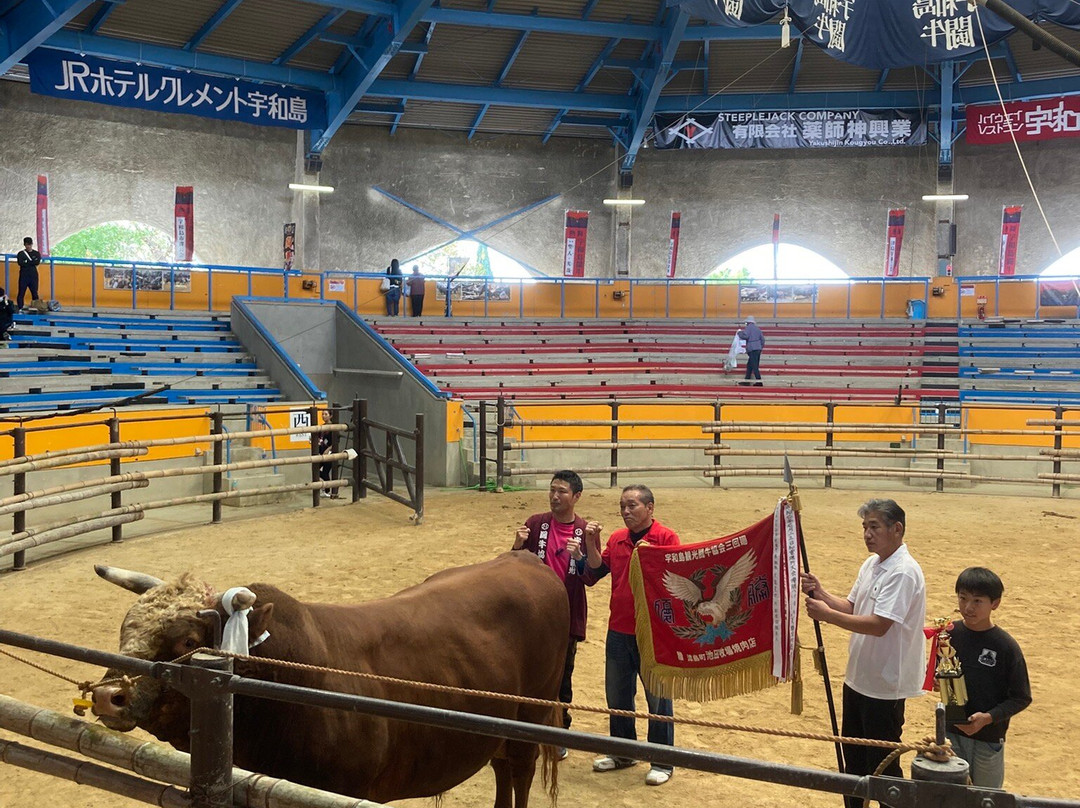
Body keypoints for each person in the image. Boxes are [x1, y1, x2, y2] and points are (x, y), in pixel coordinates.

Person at [799, 499, 925, 808]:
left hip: (884, 684)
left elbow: (879, 625)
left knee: (882, 767)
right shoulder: (872, 564)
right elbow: (853, 606)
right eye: (865, 527)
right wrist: (822, 593)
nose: (867, 534)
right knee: (853, 760)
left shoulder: (903, 572)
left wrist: (827, 615)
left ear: (897, 529)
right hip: (858, 677)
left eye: (874, 527)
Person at [583, 484, 680, 787]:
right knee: (618, 695)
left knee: (658, 699)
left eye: (632, 506)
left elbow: (675, 580)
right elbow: (597, 568)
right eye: (622, 506)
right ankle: (623, 752)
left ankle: (662, 760)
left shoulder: (666, 538)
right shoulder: (617, 538)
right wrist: (591, 542)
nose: (626, 511)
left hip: (652, 633)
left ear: (650, 508)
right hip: (619, 628)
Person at [512, 470, 599, 760]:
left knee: (562, 678)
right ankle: (525, 731)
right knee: (526, 673)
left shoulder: (585, 531)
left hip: (565, 617)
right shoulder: (535, 524)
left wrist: (580, 557)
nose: (555, 496)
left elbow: (591, 577)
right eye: (552, 490)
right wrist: (516, 545)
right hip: (531, 617)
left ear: (576, 496)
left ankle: (560, 733)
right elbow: (513, 567)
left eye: (562, 491)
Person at [944, 567, 1031, 788]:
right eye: (963, 598)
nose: (968, 607)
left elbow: (1021, 697)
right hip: (951, 733)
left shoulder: (1005, 647)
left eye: (977, 601)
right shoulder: (949, 635)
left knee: (986, 797)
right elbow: (943, 672)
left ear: (995, 603)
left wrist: (988, 718)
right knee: (950, 796)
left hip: (988, 739)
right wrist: (939, 681)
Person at [737, 315, 765, 386]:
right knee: (750, 365)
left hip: (752, 349)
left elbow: (745, 336)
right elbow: (762, 340)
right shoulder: (758, 329)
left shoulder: (748, 328)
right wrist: (760, 347)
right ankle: (747, 380)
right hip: (758, 349)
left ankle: (759, 381)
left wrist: (739, 333)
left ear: (748, 322)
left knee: (754, 366)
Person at [16, 237, 41, 312]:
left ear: (32, 244)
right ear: (24, 245)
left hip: (33, 276)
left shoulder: (36, 253)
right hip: (24, 275)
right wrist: (31, 262)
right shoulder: (21, 254)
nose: (28, 246)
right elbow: (20, 263)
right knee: (21, 292)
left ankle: (35, 308)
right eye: (27, 245)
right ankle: (20, 308)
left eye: (29, 244)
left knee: (34, 292)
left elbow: (37, 262)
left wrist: (26, 262)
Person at [317, 410, 338, 498]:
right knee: (316, 470)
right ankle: (325, 489)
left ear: (330, 416)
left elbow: (336, 441)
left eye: (326, 414)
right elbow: (319, 439)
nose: (324, 416)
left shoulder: (333, 427)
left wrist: (328, 449)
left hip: (329, 453)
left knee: (325, 472)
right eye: (322, 414)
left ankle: (327, 491)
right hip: (321, 452)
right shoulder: (322, 427)